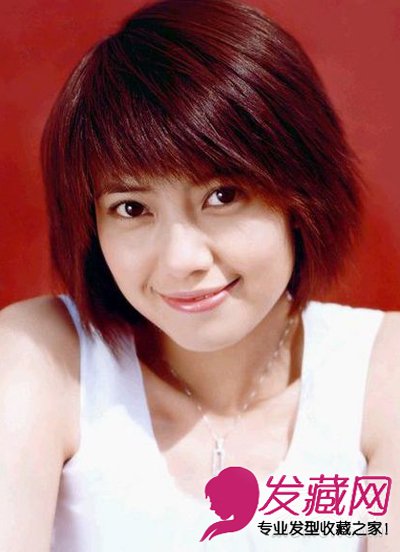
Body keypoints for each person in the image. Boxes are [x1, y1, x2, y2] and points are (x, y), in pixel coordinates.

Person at [0, 0, 398, 550]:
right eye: (131, 209)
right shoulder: (42, 359)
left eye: (223, 196)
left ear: (301, 191)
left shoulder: (380, 373)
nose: (180, 259)